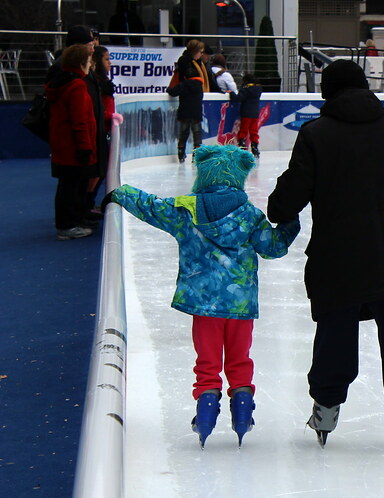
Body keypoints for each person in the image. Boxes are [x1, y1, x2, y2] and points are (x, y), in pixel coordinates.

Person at [266, 60, 384, 450]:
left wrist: (278, 206)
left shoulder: (316, 134)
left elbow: (286, 200)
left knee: (336, 332)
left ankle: (325, 407)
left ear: (327, 93)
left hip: (338, 257)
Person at [106, 145, 300, 447]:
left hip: (204, 305)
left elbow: (152, 207)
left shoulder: (186, 209)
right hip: (240, 305)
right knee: (239, 359)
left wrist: (122, 193)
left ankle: (206, 415)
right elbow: (273, 247)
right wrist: (290, 223)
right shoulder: (249, 215)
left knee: (207, 362)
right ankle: (242, 413)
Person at [46, 44, 98, 240]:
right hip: (73, 146)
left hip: (65, 144)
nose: (91, 64)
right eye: (89, 60)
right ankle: (67, 225)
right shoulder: (76, 85)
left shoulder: (63, 82)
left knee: (69, 185)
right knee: (71, 186)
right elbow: (79, 120)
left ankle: (72, 221)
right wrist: (85, 147)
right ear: (81, 62)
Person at [87, 46, 121, 215]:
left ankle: (88, 203)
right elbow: (98, 109)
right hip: (100, 129)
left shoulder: (102, 82)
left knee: (100, 171)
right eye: (106, 59)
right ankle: (86, 204)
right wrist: (110, 116)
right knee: (96, 171)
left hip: (105, 128)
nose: (110, 63)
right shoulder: (97, 83)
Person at [168, 57, 205, 163]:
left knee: (183, 133)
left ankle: (181, 152)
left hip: (184, 113)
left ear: (186, 77)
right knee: (197, 134)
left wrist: (169, 89)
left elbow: (173, 92)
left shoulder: (183, 85)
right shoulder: (199, 86)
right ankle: (196, 155)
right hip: (196, 114)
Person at [230, 73, 263, 157]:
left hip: (246, 113)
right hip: (255, 114)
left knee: (243, 130)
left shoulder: (246, 89)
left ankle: (242, 144)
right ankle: (255, 147)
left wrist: (231, 93)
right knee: (254, 131)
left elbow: (238, 98)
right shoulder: (258, 89)